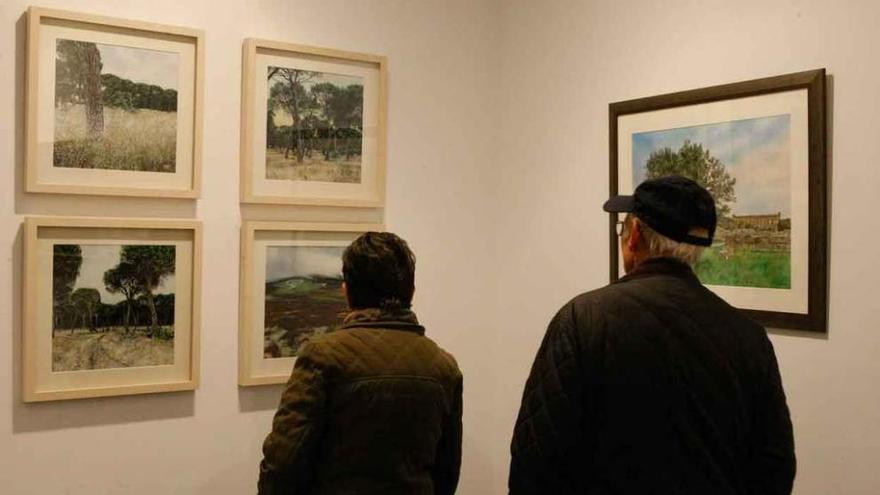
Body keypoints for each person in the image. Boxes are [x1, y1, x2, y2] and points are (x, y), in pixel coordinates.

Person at [509, 176, 796, 494]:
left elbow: (536, 465)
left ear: (633, 236)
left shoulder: (582, 321)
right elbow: (774, 467)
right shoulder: (749, 338)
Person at [258, 232, 463, 495]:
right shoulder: (444, 367)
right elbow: (447, 473)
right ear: (411, 290)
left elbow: (283, 463)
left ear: (346, 291)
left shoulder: (321, 357)